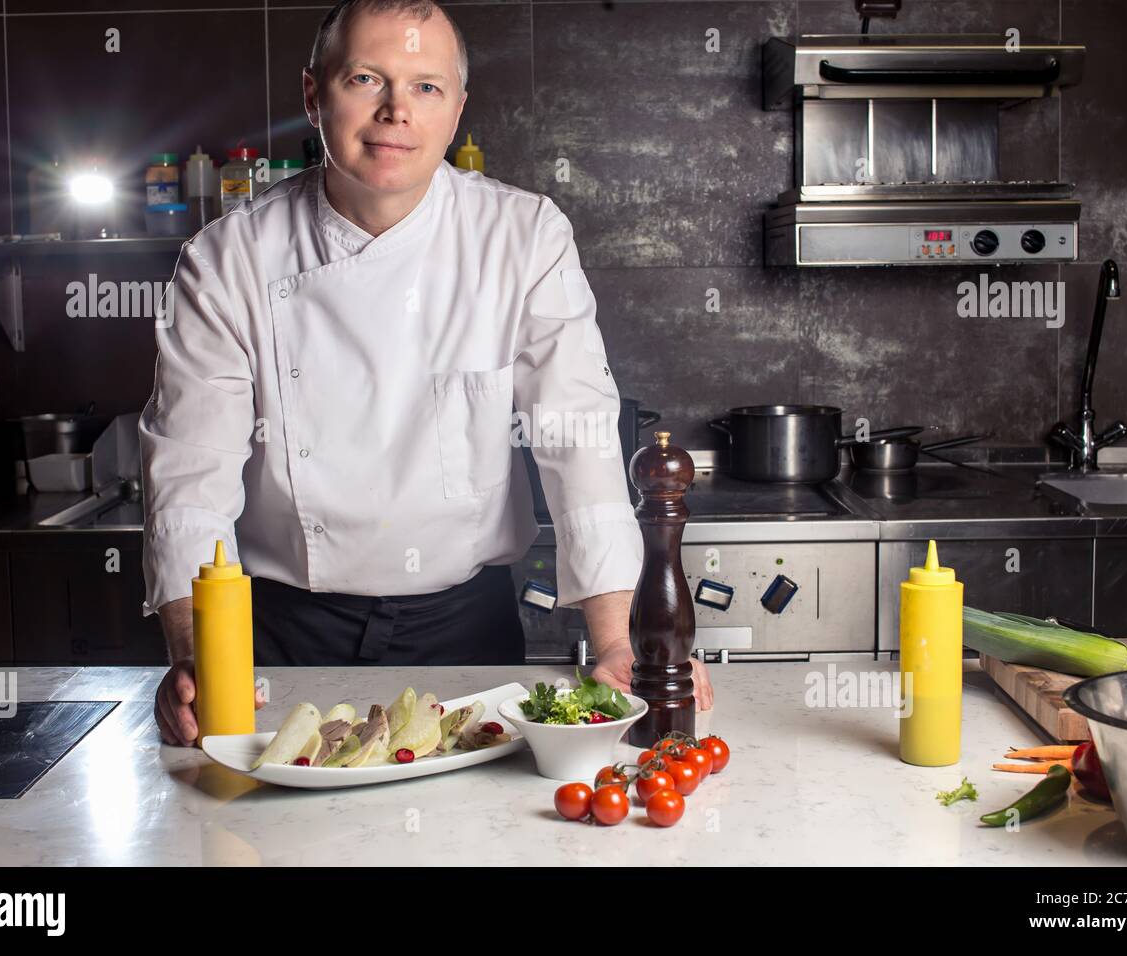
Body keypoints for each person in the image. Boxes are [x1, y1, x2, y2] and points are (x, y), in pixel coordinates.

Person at [142, 0, 713, 746]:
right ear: (313, 95)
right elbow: (190, 475)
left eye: (425, 88)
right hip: (277, 645)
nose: (395, 112)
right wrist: (195, 656)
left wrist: (618, 643)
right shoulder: (227, 260)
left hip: (467, 636)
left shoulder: (523, 237)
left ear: (457, 110)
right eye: (366, 79)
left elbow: (578, 443)